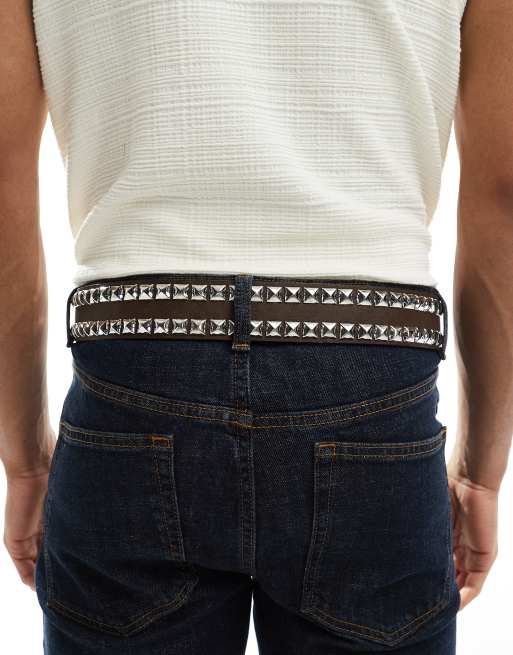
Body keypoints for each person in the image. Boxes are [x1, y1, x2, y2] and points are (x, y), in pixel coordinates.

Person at [0, 0, 510, 653]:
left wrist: (25, 460)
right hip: (371, 366)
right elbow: (502, 188)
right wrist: (480, 472)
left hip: (137, 364)